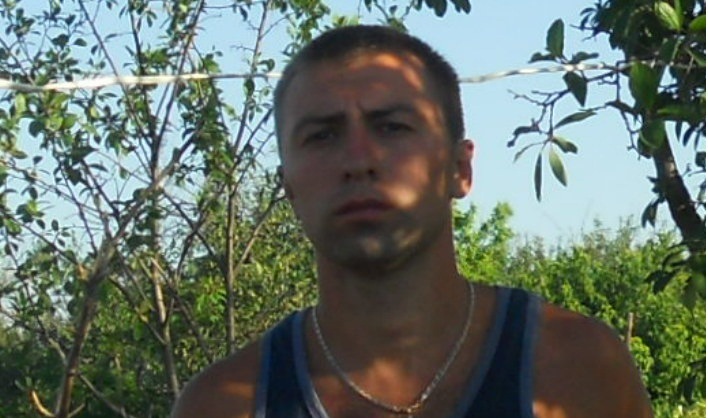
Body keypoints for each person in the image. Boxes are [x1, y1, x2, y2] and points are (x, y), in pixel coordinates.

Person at [171, 25, 653, 418]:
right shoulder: (224, 404)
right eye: (322, 136)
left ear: (459, 169)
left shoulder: (575, 371)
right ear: (289, 188)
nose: (359, 160)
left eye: (392, 127)